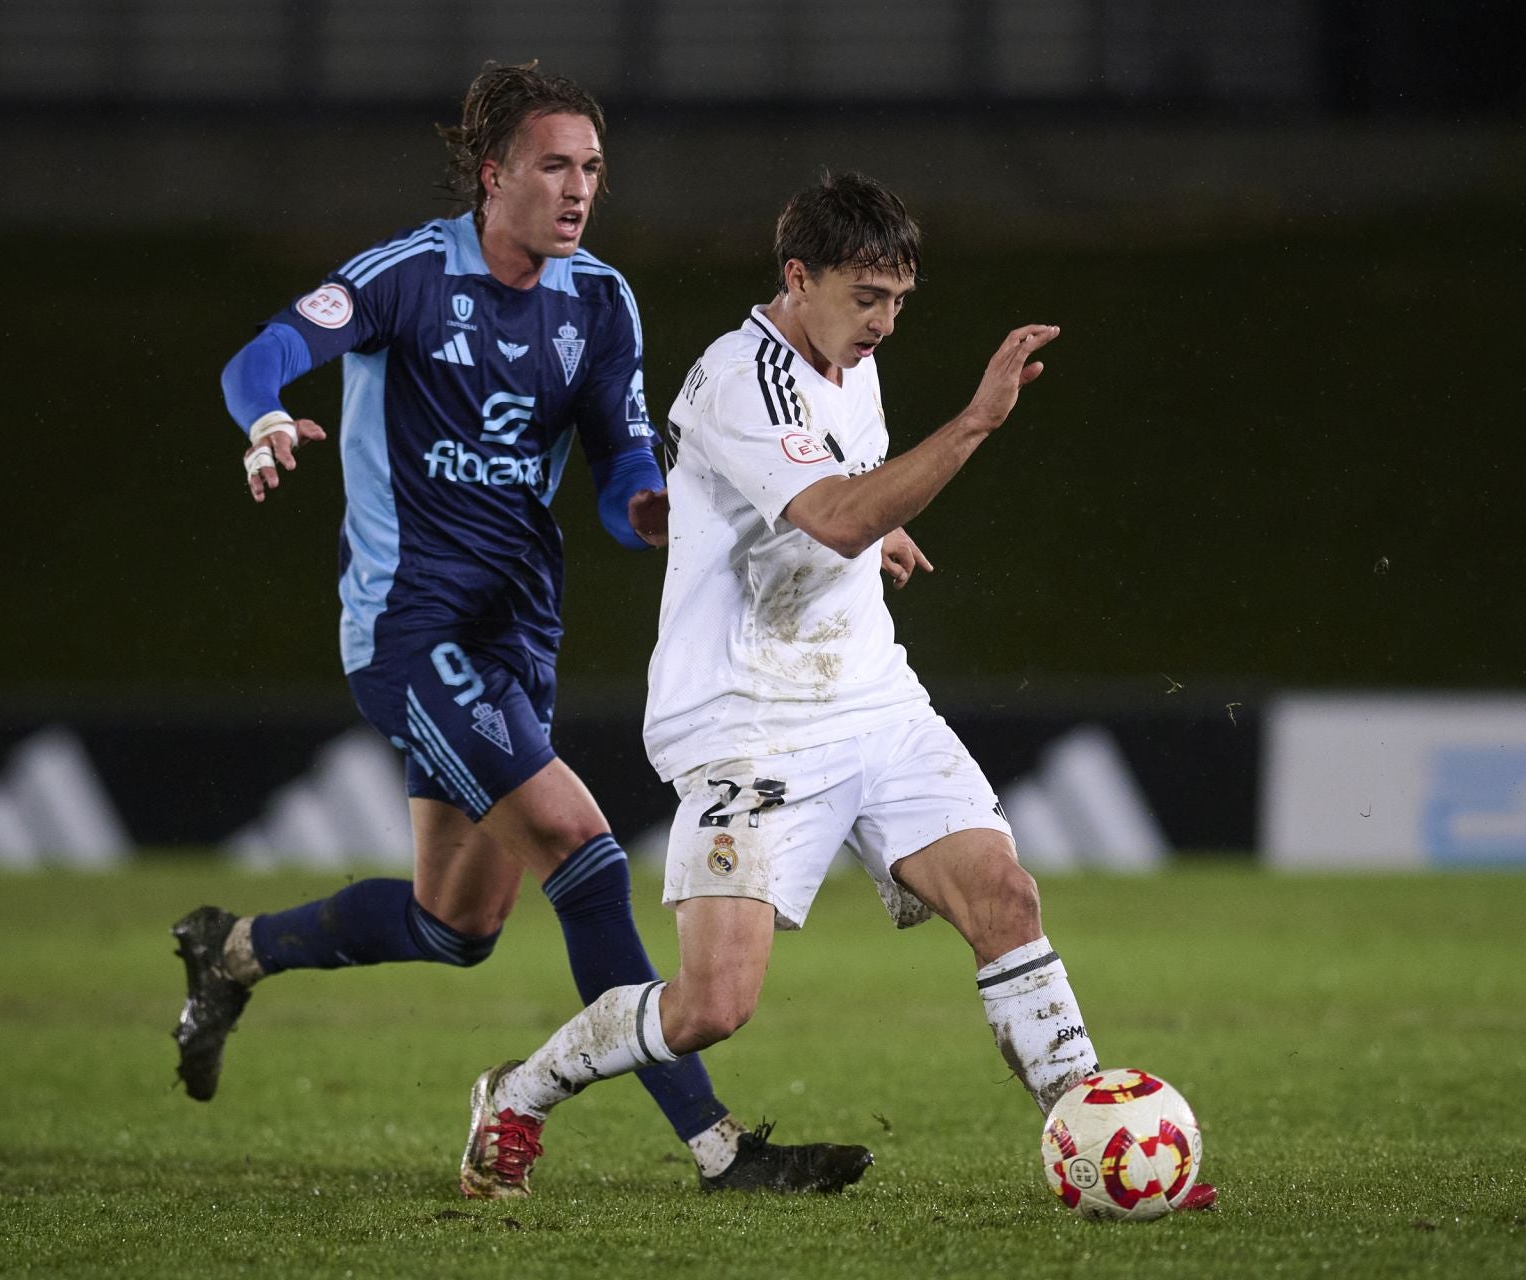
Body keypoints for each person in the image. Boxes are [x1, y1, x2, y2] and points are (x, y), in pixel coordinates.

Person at [173, 62, 871, 1196]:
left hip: (513, 635)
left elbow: (619, 456)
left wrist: (643, 504)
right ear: (493, 175)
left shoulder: (599, 300)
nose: (579, 187)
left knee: (456, 921)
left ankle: (231, 949)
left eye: (592, 167)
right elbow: (261, 355)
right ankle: (718, 1147)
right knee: (585, 854)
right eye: (555, 164)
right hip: (408, 628)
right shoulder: (404, 275)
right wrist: (262, 416)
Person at [457, 172, 1215, 1210]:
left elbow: (833, 497)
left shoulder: (848, 365)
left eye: (900, 299)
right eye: (867, 296)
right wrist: (972, 427)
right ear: (798, 275)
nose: (885, 322)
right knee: (714, 1003)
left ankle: (1096, 1135)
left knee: (1005, 895)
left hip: (870, 698)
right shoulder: (740, 377)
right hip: (748, 722)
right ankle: (522, 1089)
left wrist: (874, 528)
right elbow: (835, 511)